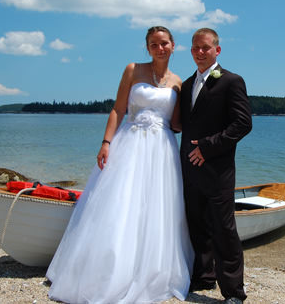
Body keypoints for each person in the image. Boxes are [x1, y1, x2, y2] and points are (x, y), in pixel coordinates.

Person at [46, 26, 194, 303]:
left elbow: (177, 123)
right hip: (130, 142)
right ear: (147, 48)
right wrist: (106, 142)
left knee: (157, 206)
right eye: (153, 44)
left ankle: (150, 267)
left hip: (162, 149)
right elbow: (118, 109)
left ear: (174, 46)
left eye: (164, 43)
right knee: (119, 202)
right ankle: (106, 269)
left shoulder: (179, 83)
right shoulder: (133, 69)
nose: (159, 48)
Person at [180, 28, 252, 303]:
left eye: (206, 48)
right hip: (189, 168)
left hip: (218, 169)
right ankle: (204, 277)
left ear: (217, 50)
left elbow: (243, 124)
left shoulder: (232, 81)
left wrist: (207, 147)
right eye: (196, 48)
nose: (200, 52)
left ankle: (234, 292)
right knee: (196, 224)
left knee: (224, 229)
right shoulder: (187, 85)